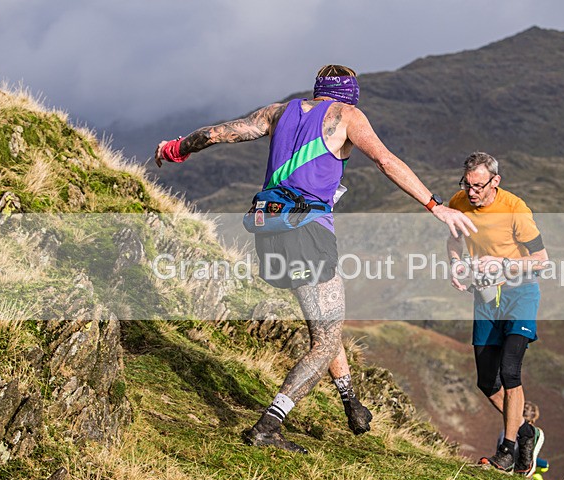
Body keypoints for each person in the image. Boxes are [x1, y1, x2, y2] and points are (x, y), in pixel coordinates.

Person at [155, 64, 476, 453]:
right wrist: (435, 205)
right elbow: (386, 161)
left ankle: (350, 402)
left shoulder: (278, 111)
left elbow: (216, 133)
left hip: (268, 228)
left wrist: (176, 149)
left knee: (326, 325)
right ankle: (269, 425)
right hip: (307, 230)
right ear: (351, 93)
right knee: (324, 341)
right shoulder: (347, 116)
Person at [447, 152, 548, 475]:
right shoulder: (459, 202)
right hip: (486, 297)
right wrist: (456, 264)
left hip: (520, 293)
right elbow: (453, 241)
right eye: (467, 184)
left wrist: (503, 263)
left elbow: (542, 260)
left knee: (510, 371)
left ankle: (507, 450)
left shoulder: (515, 209)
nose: (471, 192)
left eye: (478, 186)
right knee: (487, 381)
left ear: (495, 181)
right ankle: (527, 433)